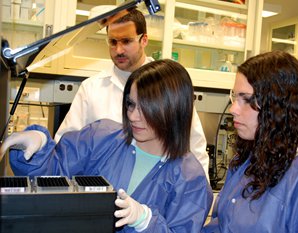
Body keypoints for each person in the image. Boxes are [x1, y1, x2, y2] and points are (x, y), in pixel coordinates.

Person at [1, 59, 213, 233]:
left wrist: (146, 222)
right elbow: (52, 176)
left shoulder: (190, 179)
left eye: (146, 108)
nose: (133, 116)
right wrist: (39, 147)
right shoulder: (101, 137)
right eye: (130, 104)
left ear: (173, 110)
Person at [54, 7, 210, 179]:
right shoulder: (91, 89)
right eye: (113, 42)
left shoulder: (168, 85)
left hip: (157, 193)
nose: (119, 50)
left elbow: (195, 149)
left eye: (126, 41)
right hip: (104, 194)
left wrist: (199, 196)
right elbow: (65, 147)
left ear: (144, 40)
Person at [202, 50, 298, 233]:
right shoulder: (244, 162)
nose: (233, 109)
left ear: (279, 106)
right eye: (235, 97)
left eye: (247, 99)